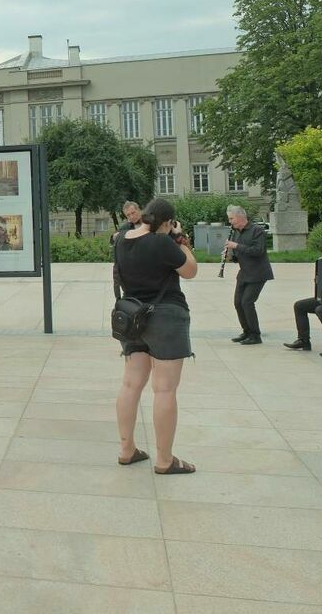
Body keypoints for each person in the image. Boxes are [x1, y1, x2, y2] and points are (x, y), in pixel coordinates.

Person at [113, 197, 199, 475]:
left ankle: (127, 450)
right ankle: (165, 460)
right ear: (166, 222)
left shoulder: (121, 239)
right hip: (165, 317)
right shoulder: (163, 242)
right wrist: (181, 239)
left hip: (133, 318)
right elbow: (190, 271)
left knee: (130, 385)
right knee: (164, 389)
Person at [224, 206, 273, 345]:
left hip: (258, 273)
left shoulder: (257, 230)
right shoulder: (236, 232)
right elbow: (239, 255)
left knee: (247, 302)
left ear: (240, 217)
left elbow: (258, 251)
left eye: (231, 218)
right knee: (238, 303)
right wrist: (230, 257)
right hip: (244, 273)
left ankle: (255, 335)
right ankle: (247, 332)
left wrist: (236, 246)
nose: (230, 221)